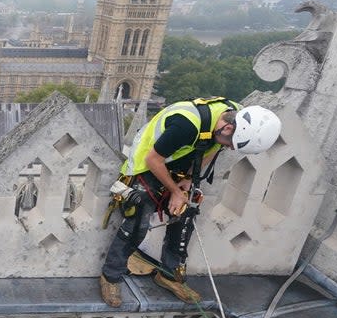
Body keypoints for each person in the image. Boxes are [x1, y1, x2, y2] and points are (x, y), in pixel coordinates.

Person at [99, 98, 281, 306]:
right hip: (147, 164)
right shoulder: (186, 125)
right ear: (228, 127)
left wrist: (187, 180)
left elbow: (211, 149)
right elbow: (153, 160)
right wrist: (175, 191)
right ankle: (110, 276)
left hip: (179, 163)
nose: (230, 149)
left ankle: (169, 274)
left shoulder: (235, 114)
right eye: (231, 143)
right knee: (138, 217)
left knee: (186, 215)